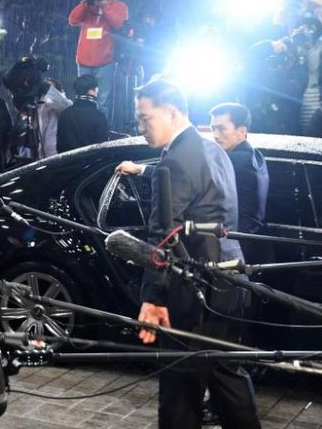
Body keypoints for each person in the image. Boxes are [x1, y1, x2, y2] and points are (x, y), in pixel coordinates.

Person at [115, 79, 260, 429]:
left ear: (171, 112)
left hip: (195, 288)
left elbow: (162, 236)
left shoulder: (177, 160)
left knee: (180, 384)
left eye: (145, 118)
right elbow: (194, 187)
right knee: (225, 374)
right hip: (228, 279)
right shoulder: (212, 148)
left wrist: (153, 297)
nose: (140, 127)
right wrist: (145, 170)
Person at [210, 103, 269, 263]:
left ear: (242, 131)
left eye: (222, 129)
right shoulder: (255, 155)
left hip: (233, 251)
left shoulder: (234, 160)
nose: (215, 135)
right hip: (250, 245)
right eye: (213, 129)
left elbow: (190, 181)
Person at [68, 0, 128, 122]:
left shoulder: (120, 6)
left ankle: (101, 131)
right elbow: (72, 20)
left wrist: (104, 5)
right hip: (84, 60)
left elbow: (119, 24)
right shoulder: (89, 5)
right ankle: (82, 128)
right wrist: (84, 2)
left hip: (105, 61)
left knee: (103, 101)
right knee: (82, 99)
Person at [56, 74, 109, 153]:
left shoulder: (64, 114)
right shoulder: (99, 117)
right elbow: (102, 148)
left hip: (68, 160)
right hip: (92, 160)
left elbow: (59, 146)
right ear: (92, 90)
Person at [37, 77, 72, 159]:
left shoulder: (64, 103)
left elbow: (67, 107)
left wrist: (50, 93)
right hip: (40, 150)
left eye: (51, 88)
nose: (47, 91)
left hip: (55, 149)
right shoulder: (39, 105)